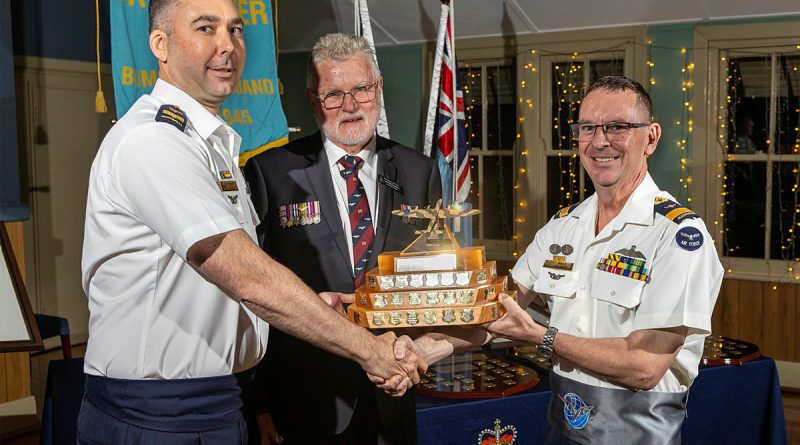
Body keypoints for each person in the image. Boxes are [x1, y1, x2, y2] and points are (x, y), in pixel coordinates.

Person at [78, 2, 421, 444]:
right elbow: (245, 275)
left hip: (217, 401)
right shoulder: (153, 141)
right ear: (159, 44)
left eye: (235, 29)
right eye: (206, 28)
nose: (228, 46)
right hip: (158, 413)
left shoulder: (212, 146)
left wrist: (315, 305)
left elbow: (214, 288)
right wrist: (369, 349)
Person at [486, 76, 723, 444]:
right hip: (562, 432)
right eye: (588, 128)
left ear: (651, 137)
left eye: (617, 127)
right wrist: (412, 350)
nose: (599, 141)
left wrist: (542, 336)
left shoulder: (678, 236)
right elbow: (497, 310)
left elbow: (644, 366)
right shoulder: (562, 228)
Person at [242, 33, 448, 445]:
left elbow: (432, 277)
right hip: (306, 400)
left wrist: (417, 354)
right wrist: (257, 402)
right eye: (333, 94)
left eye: (361, 89)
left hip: (397, 390)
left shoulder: (417, 171)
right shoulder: (272, 173)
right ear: (312, 99)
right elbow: (253, 294)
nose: (351, 106)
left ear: (379, 87)